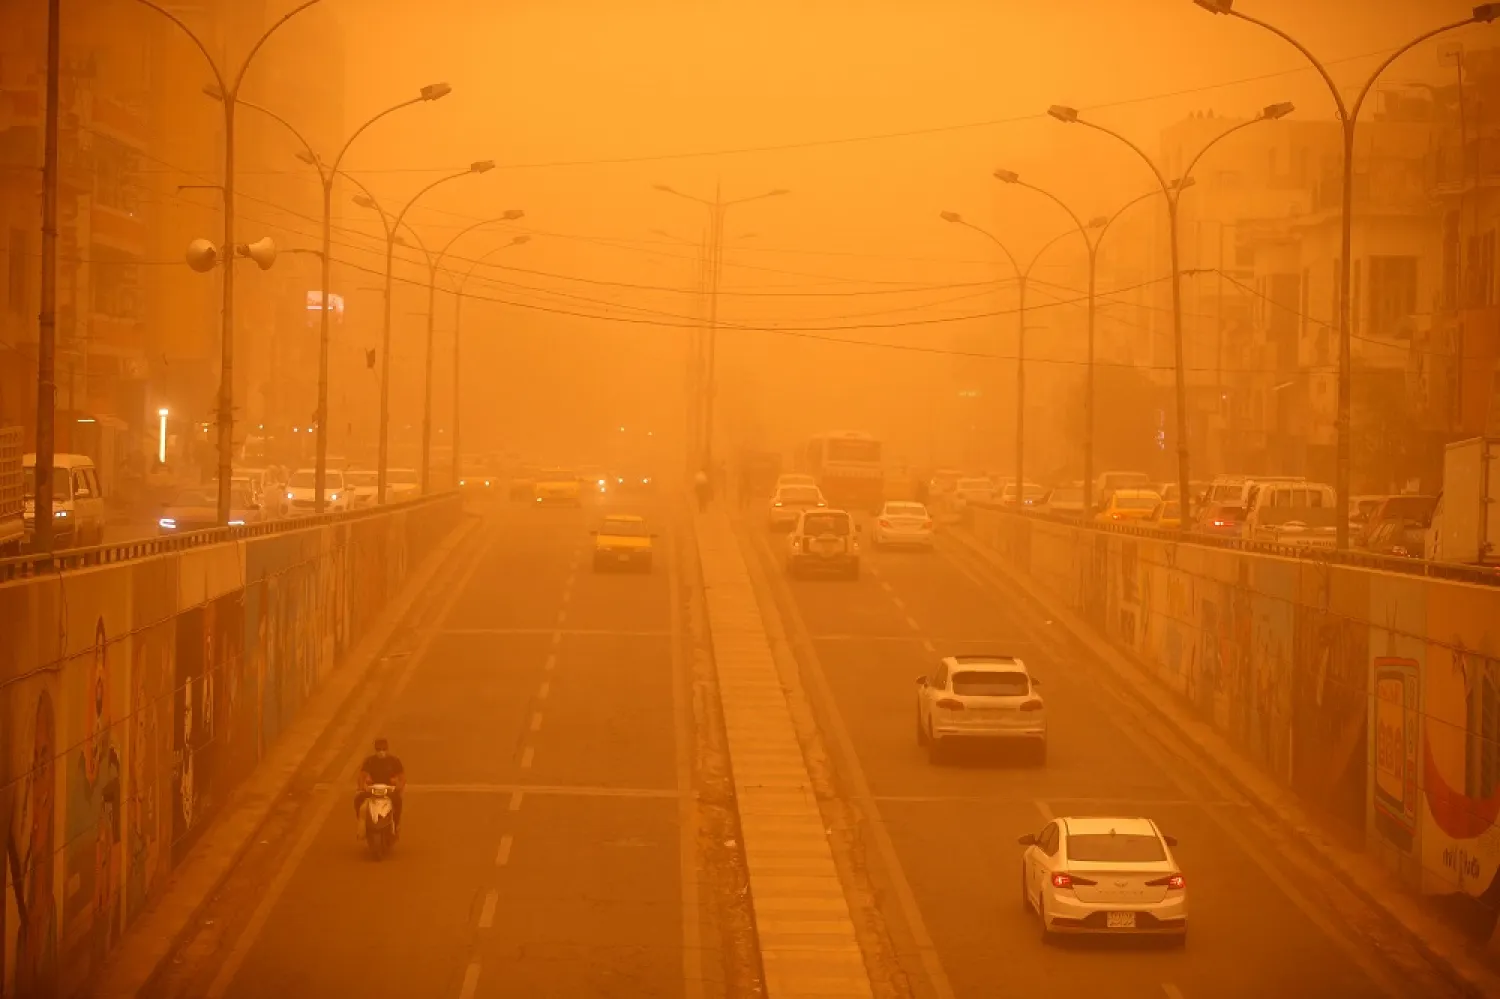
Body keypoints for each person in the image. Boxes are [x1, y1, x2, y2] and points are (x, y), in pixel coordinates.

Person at [354, 737, 405, 838]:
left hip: (389, 790)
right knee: (358, 800)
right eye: (379, 749)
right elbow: (362, 775)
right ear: (375, 750)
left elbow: (402, 777)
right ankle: (362, 824)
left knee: (398, 802)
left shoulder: (394, 761)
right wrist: (361, 786)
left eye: (383, 749)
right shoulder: (370, 761)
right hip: (373, 789)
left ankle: (396, 825)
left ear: (387, 749)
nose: (381, 752)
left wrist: (399, 786)